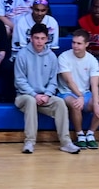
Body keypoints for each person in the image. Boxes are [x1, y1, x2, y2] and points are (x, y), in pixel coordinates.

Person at [12, 22, 72, 152]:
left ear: (47, 39)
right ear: (31, 38)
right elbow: (19, 81)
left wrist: (47, 95)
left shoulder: (51, 56)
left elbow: (53, 81)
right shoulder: (22, 55)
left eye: (42, 38)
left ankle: (66, 142)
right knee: (30, 100)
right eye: (36, 38)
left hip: (44, 97)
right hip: (24, 96)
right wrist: (35, 95)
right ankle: (29, 142)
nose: (39, 41)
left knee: (60, 103)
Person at [55, 26, 99, 146]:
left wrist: (96, 103)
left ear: (86, 44)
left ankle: (91, 134)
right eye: (73, 42)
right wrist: (80, 96)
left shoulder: (92, 60)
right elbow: (69, 81)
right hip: (65, 92)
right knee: (76, 103)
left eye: (79, 43)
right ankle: (80, 134)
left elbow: (95, 84)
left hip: (85, 93)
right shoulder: (63, 57)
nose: (75, 46)